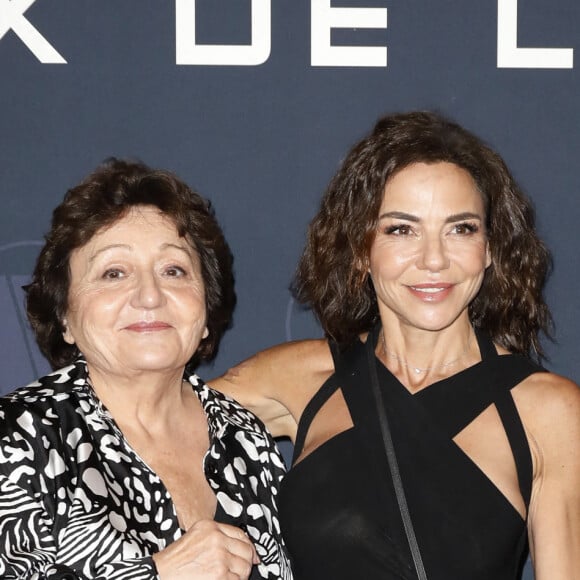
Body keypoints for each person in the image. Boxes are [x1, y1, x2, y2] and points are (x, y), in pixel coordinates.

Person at [210, 111, 580, 579]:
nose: (433, 259)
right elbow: (134, 424)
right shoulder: (300, 378)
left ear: (489, 249)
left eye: (461, 228)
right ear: (362, 250)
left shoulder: (548, 411)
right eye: (401, 229)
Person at [0, 159, 292, 580]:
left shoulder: (246, 439)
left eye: (173, 270)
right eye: (113, 272)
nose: (150, 296)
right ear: (64, 315)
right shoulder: (18, 438)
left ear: (206, 309)